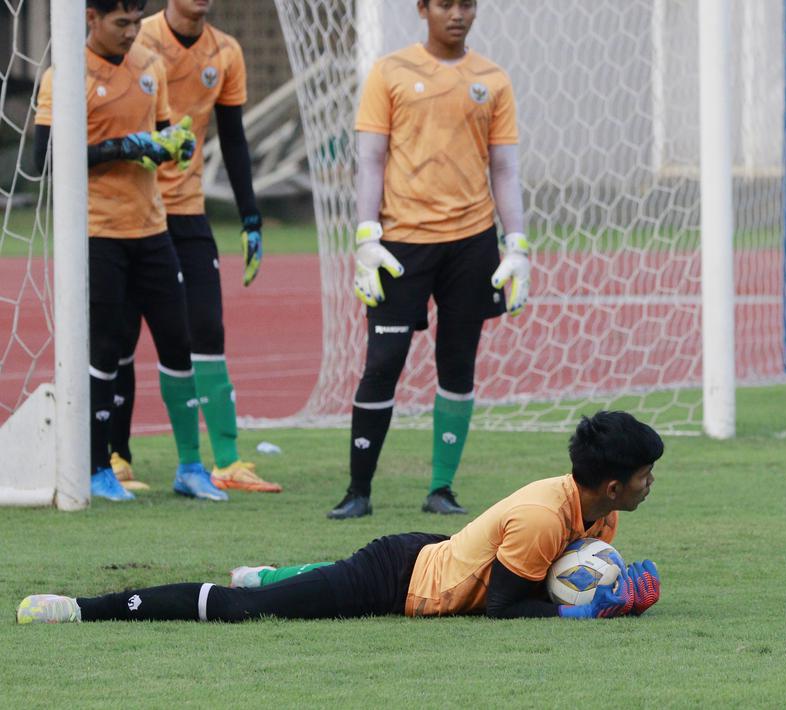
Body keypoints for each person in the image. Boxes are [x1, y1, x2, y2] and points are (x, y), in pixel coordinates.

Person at [17, 412, 663, 623]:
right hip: (395, 576)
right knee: (247, 613)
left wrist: (607, 593)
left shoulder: (596, 513)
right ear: (612, 483)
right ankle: (84, 608)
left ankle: (271, 573)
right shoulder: (545, 515)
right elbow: (501, 606)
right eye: (644, 475)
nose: (649, 484)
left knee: (286, 588)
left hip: (429, 556)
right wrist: (589, 609)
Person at [329, 0, 531, 519]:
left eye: (466, 3)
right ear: (423, 8)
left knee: (458, 363)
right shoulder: (390, 72)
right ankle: (358, 491)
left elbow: (504, 168)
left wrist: (517, 244)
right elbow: (371, 158)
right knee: (382, 364)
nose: (457, 13)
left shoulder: (493, 80)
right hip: (400, 244)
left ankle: (441, 489)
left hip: (471, 243)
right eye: (445, 3)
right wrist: (365, 236)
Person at [32, 0, 225, 502]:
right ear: (90, 19)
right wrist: (123, 147)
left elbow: (157, 134)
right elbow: (44, 157)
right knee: (106, 349)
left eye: (137, 21)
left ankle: (189, 467)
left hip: (152, 229)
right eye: (121, 23)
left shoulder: (149, 66)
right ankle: (98, 467)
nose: (131, 31)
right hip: (98, 233)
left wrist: (171, 144)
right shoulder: (64, 77)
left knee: (177, 343)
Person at [102, 0, 282, 494]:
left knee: (206, 326)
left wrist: (250, 217)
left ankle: (226, 459)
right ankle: (117, 456)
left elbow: (234, 138)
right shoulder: (135, 39)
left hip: (187, 212)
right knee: (118, 336)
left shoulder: (225, 51)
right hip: (128, 212)